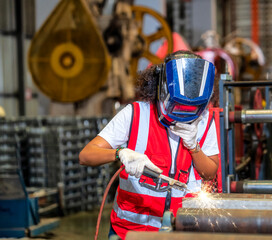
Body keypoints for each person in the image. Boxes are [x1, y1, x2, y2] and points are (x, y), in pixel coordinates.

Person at [79, 50, 219, 239]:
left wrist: (194, 147)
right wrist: (121, 153)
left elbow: (210, 173)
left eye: (192, 109)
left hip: (183, 229)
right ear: (161, 88)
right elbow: (86, 155)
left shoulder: (204, 120)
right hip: (130, 229)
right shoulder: (135, 114)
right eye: (177, 105)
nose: (183, 115)